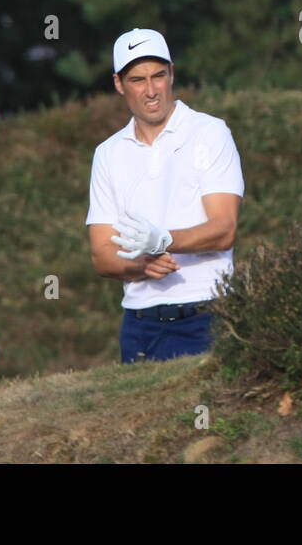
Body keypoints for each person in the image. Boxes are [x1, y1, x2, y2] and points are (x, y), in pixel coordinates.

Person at [86, 28, 244, 363]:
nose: (151, 90)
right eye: (138, 80)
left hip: (207, 314)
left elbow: (224, 228)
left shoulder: (210, 132)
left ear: (172, 73)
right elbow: (101, 255)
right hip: (139, 324)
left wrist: (163, 240)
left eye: (159, 75)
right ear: (118, 84)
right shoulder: (108, 153)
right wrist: (142, 266)